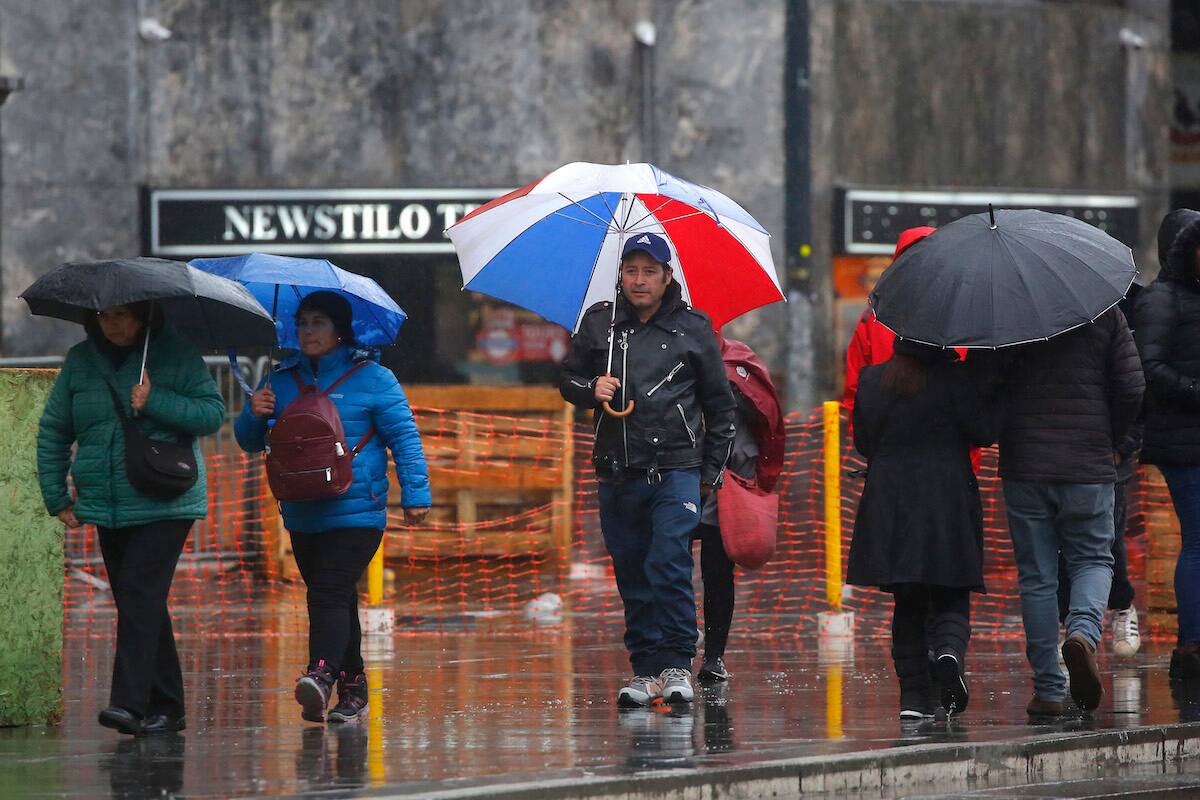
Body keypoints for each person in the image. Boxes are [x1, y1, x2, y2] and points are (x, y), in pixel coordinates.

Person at [235, 291, 431, 724]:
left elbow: (405, 439)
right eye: (302, 323)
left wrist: (416, 495)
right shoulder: (280, 381)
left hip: (358, 509)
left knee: (327, 591)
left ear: (340, 329)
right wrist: (253, 414)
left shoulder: (375, 379)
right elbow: (251, 442)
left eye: (318, 322)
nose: (308, 331)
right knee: (335, 597)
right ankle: (354, 687)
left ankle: (321, 673)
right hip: (303, 510)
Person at [560, 232, 735, 707]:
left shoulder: (693, 328)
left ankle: (679, 660)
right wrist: (589, 387)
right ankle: (645, 669)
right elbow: (567, 379)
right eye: (631, 271)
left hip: (677, 467)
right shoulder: (599, 324)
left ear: (667, 277)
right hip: (616, 469)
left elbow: (721, 406)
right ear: (621, 274)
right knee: (632, 570)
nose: (639, 281)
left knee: (669, 562)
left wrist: (711, 473)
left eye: (649, 272)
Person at [37, 302, 225, 736]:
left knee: (139, 594)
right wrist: (55, 494)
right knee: (141, 602)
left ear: (145, 315)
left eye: (124, 314)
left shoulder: (175, 355)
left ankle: (128, 703)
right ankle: (168, 707)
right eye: (105, 316)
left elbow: (211, 413)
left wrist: (154, 400)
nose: (115, 324)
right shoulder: (80, 362)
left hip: (165, 499)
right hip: (107, 502)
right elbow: (54, 430)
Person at [998, 305, 1144, 717]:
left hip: (1025, 466)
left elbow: (987, 390)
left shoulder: (1008, 317)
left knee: (1036, 577)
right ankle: (1081, 634)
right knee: (1094, 559)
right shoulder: (1103, 313)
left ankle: (1047, 689)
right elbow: (1132, 386)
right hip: (1088, 464)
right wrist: (1111, 440)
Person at [848, 339, 996, 720]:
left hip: (890, 502)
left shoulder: (872, 380)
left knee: (907, 599)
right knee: (951, 591)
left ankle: (913, 698)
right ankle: (948, 652)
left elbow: (864, 442)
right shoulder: (954, 378)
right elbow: (983, 431)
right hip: (946, 500)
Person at [1056, 286, 1145, 659]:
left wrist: (1121, 445)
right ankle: (1074, 629)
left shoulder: (1120, 314)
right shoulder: (1043, 321)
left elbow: (1134, 387)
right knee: (1074, 547)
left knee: (1103, 542)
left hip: (1105, 454)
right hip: (1061, 454)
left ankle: (1111, 612)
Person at [694, 334, 784, 683]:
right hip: (676, 473)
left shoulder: (737, 359)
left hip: (726, 481)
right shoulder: (658, 353)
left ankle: (714, 655)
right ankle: (684, 632)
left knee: (718, 571)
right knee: (668, 562)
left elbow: (765, 415)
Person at [1134, 208, 1200, 680]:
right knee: (1197, 542)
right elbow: (1149, 369)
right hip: (1182, 444)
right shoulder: (1163, 300)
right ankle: (1191, 644)